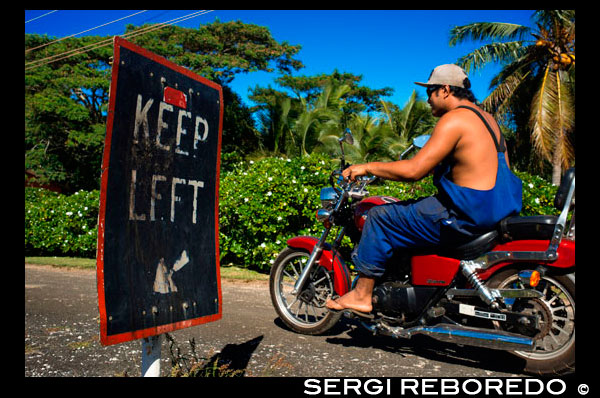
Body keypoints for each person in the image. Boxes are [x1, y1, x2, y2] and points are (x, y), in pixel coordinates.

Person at [325, 64, 522, 315]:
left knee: (380, 217)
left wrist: (367, 167)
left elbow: (414, 171)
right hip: (496, 211)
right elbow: (450, 166)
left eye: (430, 91)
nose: (427, 98)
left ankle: (362, 294)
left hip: (464, 214)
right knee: (416, 210)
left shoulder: (454, 119)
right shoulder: (488, 121)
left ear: (446, 90)